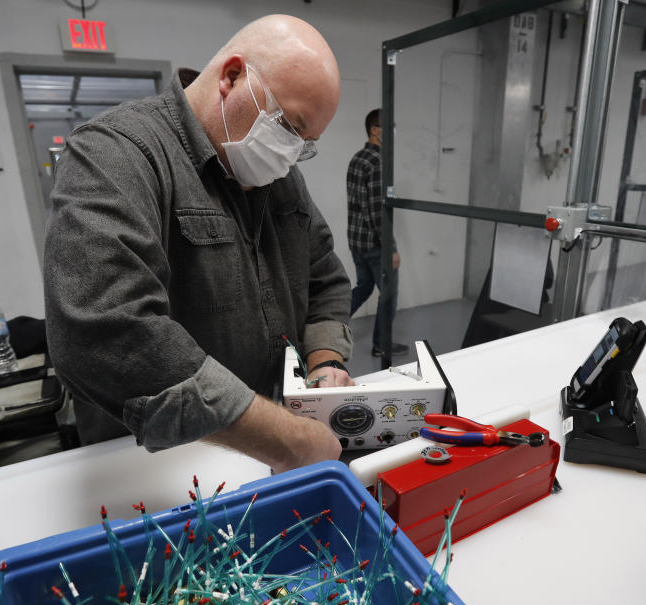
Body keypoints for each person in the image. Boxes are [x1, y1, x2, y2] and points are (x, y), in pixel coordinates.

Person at [44, 15, 354, 474]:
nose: (290, 154)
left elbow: (324, 279)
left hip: (263, 449)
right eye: (289, 126)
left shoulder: (282, 179)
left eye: (305, 144)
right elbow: (107, 331)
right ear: (231, 76)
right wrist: (284, 438)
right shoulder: (117, 152)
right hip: (150, 463)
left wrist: (325, 362)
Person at [346, 109, 407, 357]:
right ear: (374, 129)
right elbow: (375, 212)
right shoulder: (378, 162)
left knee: (364, 287)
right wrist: (390, 248)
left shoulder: (357, 158)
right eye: (388, 128)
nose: (392, 133)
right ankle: (382, 345)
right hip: (374, 244)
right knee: (389, 294)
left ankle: (324, 325)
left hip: (356, 240)